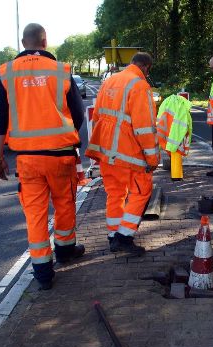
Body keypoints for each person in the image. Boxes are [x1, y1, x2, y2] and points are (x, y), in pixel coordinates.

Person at [0, 23, 85, 290]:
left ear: (24, 43)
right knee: (65, 204)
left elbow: (0, 117)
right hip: (60, 156)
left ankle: (43, 273)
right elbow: (78, 114)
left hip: (27, 160)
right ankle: (66, 251)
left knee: (35, 214)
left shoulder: (7, 73)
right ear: (45, 42)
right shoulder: (61, 70)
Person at [85, 52, 159, 256]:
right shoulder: (140, 86)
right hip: (129, 154)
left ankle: (113, 235)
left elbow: (98, 116)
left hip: (106, 152)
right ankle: (124, 237)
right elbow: (144, 127)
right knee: (142, 191)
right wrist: (152, 158)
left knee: (115, 194)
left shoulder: (110, 81)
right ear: (146, 67)